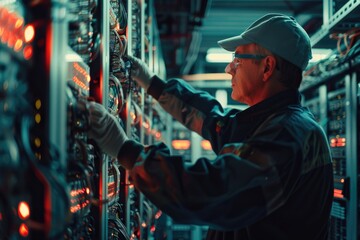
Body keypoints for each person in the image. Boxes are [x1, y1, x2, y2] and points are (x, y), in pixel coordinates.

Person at [88, 13, 334, 240]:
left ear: (267, 67)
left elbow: (211, 192)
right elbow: (213, 121)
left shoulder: (288, 135)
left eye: (237, 58)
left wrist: (126, 150)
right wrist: (152, 83)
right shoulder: (277, 124)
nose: (229, 69)